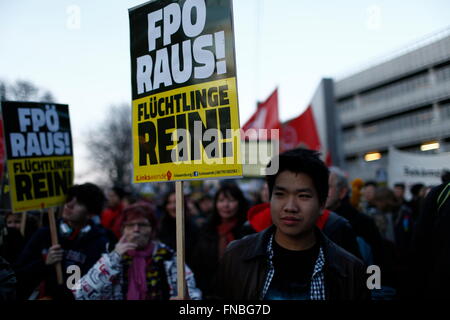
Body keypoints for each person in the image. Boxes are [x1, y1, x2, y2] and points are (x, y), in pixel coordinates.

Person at [215, 148, 369, 300]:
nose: (290, 207)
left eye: (303, 196)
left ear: (322, 204)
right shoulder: (236, 256)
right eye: (280, 194)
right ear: (270, 198)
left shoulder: (351, 270)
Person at [72, 202, 201, 300]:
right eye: (130, 225)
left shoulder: (169, 257)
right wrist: (113, 258)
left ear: (152, 230)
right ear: (122, 229)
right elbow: (80, 293)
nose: (136, 229)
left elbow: (193, 293)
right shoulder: (112, 256)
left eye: (142, 224)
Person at [15, 183, 113, 300]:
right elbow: (18, 275)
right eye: (69, 200)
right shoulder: (44, 234)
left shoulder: (101, 242)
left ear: (90, 213)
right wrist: (44, 262)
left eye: (79, 203)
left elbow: (101, 284)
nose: (69, 205)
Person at [191, 183, 252, 299]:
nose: (226, 205)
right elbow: (198, 264)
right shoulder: (207, 229)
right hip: (211, 292)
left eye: (231, 200)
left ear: (240, 203)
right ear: (215, 204)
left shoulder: (247, 230)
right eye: (221, 200)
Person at [326, 167, 384, 267]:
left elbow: (378, 263)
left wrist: (372, 282)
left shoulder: (362, 223)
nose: (321, 191)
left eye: (328, 187)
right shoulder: (311, 221)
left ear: (342, 192)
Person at [157, 190, 199, 268]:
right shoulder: (159, 228)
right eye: (169, 203)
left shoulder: (194, 228)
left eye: (176, 202)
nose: (173, 206)